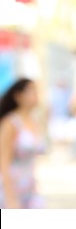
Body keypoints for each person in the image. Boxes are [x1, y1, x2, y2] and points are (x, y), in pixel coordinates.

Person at [0, 78, 45, 208]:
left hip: (30, 187)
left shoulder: (33, 121)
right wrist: (10, 196)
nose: (36, 95)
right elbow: (3, 160)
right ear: (18, 96)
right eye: (32, 91)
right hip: (11, 186)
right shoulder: (10, 123)